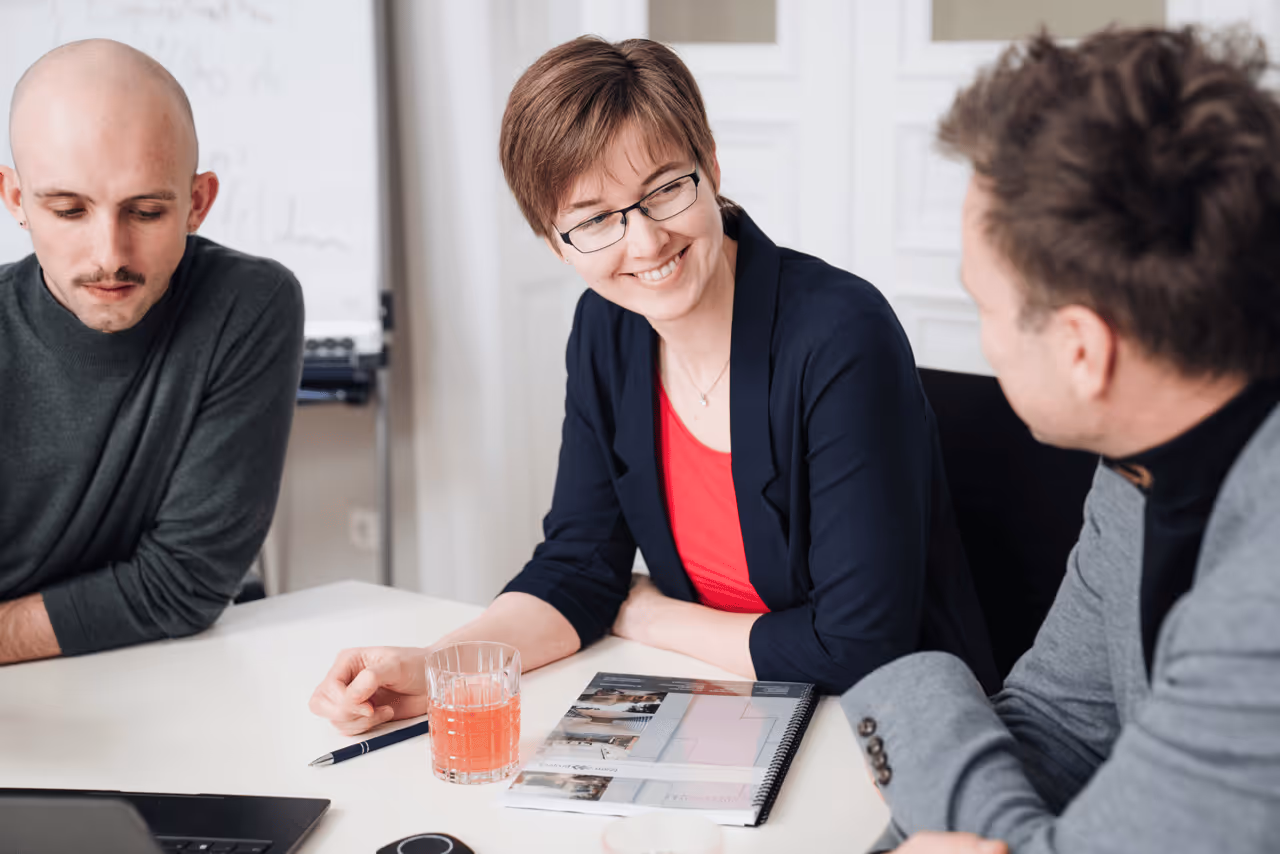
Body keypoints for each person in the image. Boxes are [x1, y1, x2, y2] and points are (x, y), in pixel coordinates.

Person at [310, 36, 996, 736]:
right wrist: (435, 671)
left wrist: (644, 611)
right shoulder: (606, 329)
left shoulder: (839, 334)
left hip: (888, 732)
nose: (644, 243)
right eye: (596, 219)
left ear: (712, 168)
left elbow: (858, 648)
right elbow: (580, 567)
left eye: (666, 188)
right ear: (556, 244)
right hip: (737, 710)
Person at [840, 26, 1280, 853]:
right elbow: (1053, 724)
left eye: (984, 306)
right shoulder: (1140, 461)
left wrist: (917, 685)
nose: (985, 341)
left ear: (1082, 349)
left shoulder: (1265, 598)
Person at [0, 40, 303, 664]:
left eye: (144, 211)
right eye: (68, 210)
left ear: (197, 203)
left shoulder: (248, 305)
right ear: (15, 200)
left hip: (170, 672)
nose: (109, 254)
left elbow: (184, 584)